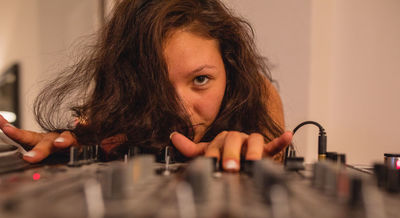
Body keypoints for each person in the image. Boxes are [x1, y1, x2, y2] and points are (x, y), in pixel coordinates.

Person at [0, 0, 292, 172]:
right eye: (155, 83)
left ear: (230, 70)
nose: (179, 109)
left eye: (200, 80)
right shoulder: (118, 116)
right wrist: (74, 153)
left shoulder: (258, 96)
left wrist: (244, 160)